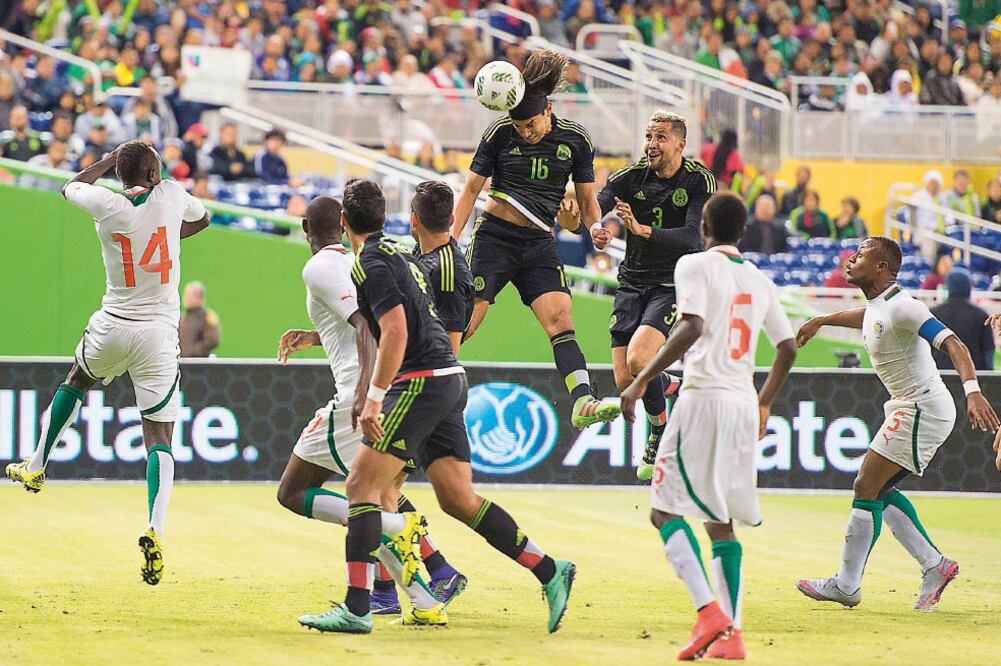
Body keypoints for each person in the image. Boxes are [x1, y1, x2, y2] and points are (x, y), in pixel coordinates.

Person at [297, 180, 575, 634]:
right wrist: (314, 337)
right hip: (448, 379)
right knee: (457, 500)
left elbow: (396, 332)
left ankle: (359, 607)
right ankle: (549, 569)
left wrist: (373, 397)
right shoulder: (396, 255)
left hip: (421, 382)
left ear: (344, 223)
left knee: (361, 489)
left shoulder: (370, 262)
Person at [4, 141, 210, 586]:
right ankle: (155, 525)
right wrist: (169, 232)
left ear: (120, 174)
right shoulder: (173, 195)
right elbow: (205, 218)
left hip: (113, 323)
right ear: (155, 174)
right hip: (158, 334)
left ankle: (38, 462)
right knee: (159, 435)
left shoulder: (105, 203)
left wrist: (108, 162)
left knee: (76, 379)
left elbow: (69, 187)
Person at [619, 191, 797, 661]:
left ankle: (708, 612)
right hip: (742, 403)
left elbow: (692, 325)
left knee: (663, 510)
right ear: (741, 232)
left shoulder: (693, 265)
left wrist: (640, 380)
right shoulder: (759, 279)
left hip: (702, 398)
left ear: (703, 228)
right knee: (721, 521)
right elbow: (787, 348)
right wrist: (764, 404)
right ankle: (732, 634)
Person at [274, 194, 466, 622]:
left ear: (308, 229)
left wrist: (364, 393)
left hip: (354, 397)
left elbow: (365, 326)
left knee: (306, 493)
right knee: (378, 495)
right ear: (339, 225)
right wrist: (313, 335)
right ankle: (426, 590)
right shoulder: (353, 262)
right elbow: (369, 320)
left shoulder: (319, 266)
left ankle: (409, 567)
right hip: (398, 387)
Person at [795, 237, 999, 611]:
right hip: (910, 407)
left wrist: (972, 391)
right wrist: (822, 318)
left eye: (862, 254)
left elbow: (955, 344)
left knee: (865, 484)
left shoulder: (906, 306)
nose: (852, 258)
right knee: (880, 491)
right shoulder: (880, 305)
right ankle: (935, 565)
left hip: (923, 407)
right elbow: (865, 317)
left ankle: (846, 584)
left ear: (882, 267)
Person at [451, 49, 620, 429]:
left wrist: (593, 228)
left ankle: (583, 401)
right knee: (467, 321)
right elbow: (470, 192)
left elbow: (588, 203)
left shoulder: (576, 140)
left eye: (530, 124)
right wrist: (450, 240)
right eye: (519, 126)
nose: (525, 133)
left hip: (540, 243)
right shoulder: (498, 134)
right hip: (495, 237)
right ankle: (425, 381)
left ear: (547, 111)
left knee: (561, 320)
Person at [597, 111, 715, 479]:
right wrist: (589, 225)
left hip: (673, 282)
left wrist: (640, 229)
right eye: (648, 136)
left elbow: (692, 237)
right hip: (632, 281)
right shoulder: (630, 178)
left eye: (661, 137)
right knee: (626, 382)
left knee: (639, 361)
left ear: (680, 144)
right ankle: (672, 382)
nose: (651, 144)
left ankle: (659, 432)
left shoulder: (699, 180)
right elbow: (594, 205)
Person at [410, 181, 474, 355]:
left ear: (414, 220)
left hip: (428, 375)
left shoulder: (447, 271)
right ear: (452, 219)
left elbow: (448, 351)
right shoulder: (420, 252)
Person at [931, 268, 994, 371]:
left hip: (941, 378)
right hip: (973, 378)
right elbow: (988, 352)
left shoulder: (934, 314)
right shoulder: (981, 315)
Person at [178, 282, 221, 357]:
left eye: (191, 295)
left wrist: (193, 351)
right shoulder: (181, 319)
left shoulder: (207, 317)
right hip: (181, 363)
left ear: (200, 298)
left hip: (199, 364)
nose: (186, 298)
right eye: (186, 294)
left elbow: (212, 341)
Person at [912, 170, 945, 262]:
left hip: (941, 232)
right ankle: (928, 266)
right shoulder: (918, 197)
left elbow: (949, 217)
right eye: (932, 183)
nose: (934, 186)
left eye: (936, 183)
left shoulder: (942, 198)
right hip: (922, 232)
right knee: (928, 239)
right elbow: (910, 217)